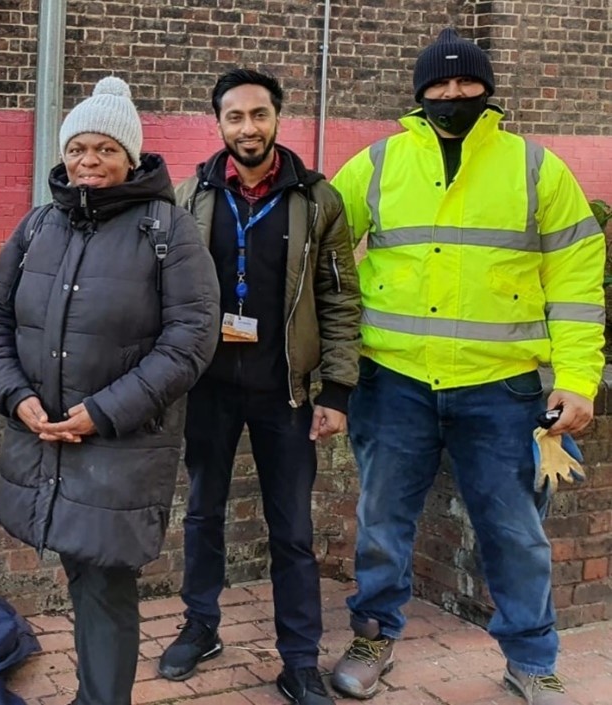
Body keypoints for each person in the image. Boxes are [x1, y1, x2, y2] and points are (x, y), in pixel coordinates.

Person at [328, 29, 603, 705]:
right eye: (438, 85)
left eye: (465, 83)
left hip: (502, 391)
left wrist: (575, 377)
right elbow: (324, 257)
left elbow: (575, 279)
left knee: (515, 534)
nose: (452, 94)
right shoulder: (376, 163)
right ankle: (371, 636)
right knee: (382, 522)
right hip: (391, 381)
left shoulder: (535, 167)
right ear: (418, 93)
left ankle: (532, 660)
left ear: (488, 90)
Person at [0, 76, 219, 705]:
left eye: (105, 149)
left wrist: (104, 412)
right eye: (78, 148)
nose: (89, 162)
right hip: (45, 436)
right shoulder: (38, 226)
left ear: (131, 157)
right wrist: (13, 393)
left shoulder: (169, 231)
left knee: (106, 584)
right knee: (82, 572)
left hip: (117, 448)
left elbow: (190, 341)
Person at [157, 69, 360, 705]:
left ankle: (298, 659)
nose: (248, 128)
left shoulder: (317, 199)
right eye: (235, 117)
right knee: (202, 514)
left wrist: (337, 392)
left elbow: (339, 299)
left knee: (292, 530)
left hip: (287, 391)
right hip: (210, 388)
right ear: (217, 123)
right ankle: (201, 625)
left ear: (278, 119)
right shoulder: (190, 197)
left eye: (259, 115)